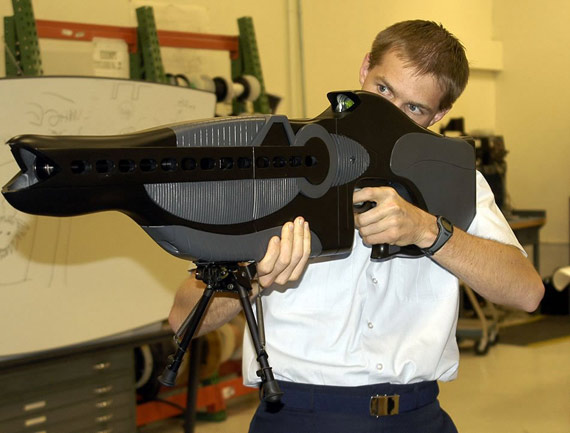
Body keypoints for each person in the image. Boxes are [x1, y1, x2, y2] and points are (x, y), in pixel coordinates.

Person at [168, 20, 544, 433]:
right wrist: (255, 276)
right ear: (365, 68)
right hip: (298, 417)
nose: (388, 116)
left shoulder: (457, 180)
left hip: (417, 416)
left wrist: (429, 232)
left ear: (439, 115)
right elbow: (183, 317)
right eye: (383, 90)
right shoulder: (279, 169)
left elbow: (527, 293)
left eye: (413, 108)